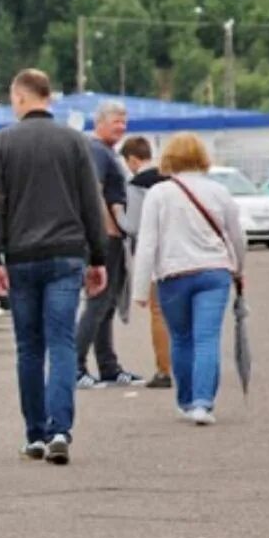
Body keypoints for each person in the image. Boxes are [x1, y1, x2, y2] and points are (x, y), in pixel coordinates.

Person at [0, 69, 108, 465]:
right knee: (62, 344)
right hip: (67, 253)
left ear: (20, 98)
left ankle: (35, 434)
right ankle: (60, 431)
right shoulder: (75, 142)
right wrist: (99, 257)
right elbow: (92, 202)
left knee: (28, 348)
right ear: (49, 97)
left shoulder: (2, 143)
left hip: (21, 256)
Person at [131, 132, 244, 426]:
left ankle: (185, 400)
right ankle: (203, 404)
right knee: (207, 339)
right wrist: (238, 270)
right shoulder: (218, 191)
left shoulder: (159, 193)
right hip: (214, 272)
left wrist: (141, 289)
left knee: (181, 339)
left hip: (173, 275)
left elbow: (147, 243)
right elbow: (237, 236)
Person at [75, 101, 145, 389]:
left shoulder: (108, 153)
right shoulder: (96, 152)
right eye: (117, 121)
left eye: (125, 121)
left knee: (108, 304)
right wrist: (108, 230)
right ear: (100, 122)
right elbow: (94, 192)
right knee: (98, 302)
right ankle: (75, 366)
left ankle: (108, 366)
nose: (122, 126)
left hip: (114, 237)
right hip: (106, 238)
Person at [120, 136, 173, 389]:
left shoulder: (137, 183)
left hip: (154, 256)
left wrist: (115, 213)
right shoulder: (171, 178)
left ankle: (164, 369)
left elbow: (133, 225)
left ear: (132, 159)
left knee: (159, 312)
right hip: (179, 252)